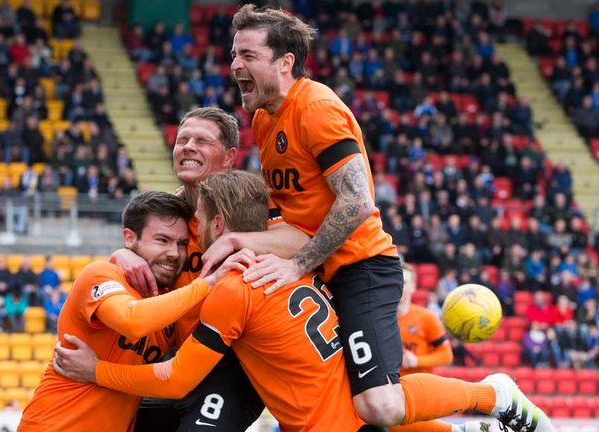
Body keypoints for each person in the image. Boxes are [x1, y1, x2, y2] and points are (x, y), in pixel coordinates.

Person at [193, 5, 551, 432]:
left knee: (379, 404)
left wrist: (297, 264)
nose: (235, 65)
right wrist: (239, 239)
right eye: (234, 55)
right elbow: (298, 214)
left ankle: (495, 396)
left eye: (248, 55)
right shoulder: (265, 118)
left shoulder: (316, 108)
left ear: (285, 62)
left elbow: (357, 201)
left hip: (361, 269)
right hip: (320, 269)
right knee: (346, 405)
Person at [58, 170, 544, 432]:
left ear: (220, 227)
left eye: (197, 222)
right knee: (386, 405)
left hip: (320, 422)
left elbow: (177, 378)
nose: (192, 233)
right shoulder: (296, 257)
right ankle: (486, 402)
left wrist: (95, 372)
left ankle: (489, 398)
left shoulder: (232, 287)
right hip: (343, 395)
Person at [81, 107, 307, 431]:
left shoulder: (250, 202)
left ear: (229, 156)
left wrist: (236, 240)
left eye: (202, 141)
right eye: (182, 139)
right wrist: (123, 254)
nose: (188, 146)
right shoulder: (168, 212)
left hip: (233, 363)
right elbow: (134, 248)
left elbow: (304, 240)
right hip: (177, 359)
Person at [18, 192, 243, 431]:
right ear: (129, 238)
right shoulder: (100, 274)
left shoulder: (169, 305)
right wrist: (206, 284)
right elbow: (132, 320)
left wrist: (97, 371)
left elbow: (174, 379)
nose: (174, 254)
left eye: (182, 244)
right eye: (162, 240)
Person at [397, 265, 453, 375]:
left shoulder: (427, 317)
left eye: (404, 282)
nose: (399, 286)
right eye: (395, 281)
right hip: (388, 389)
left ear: (413, 286)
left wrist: (417, 361)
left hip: (418, 386)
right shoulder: (376, 320)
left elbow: (446, 355)